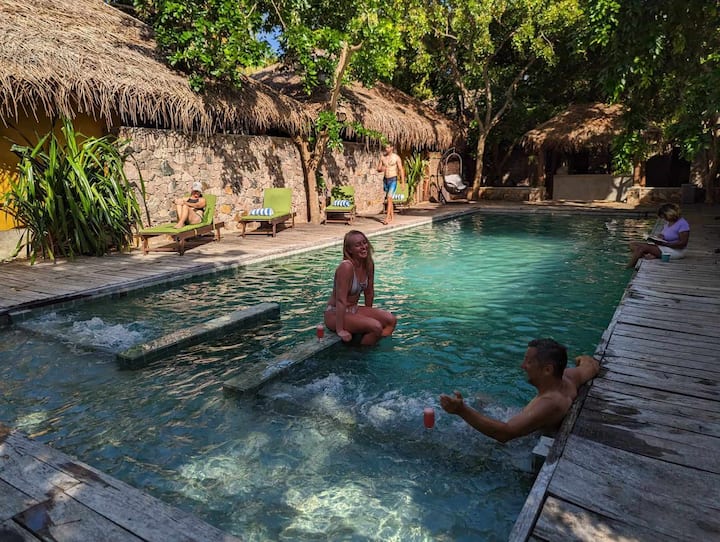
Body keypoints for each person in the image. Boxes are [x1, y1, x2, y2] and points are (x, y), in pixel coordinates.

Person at [439, 338, 600, 443]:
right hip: (525, 423)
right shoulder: (568, 378)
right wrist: (580, 358)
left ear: (547, 370)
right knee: (481, 398)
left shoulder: (549, 403)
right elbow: (590, 365)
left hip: (522, 443)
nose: (523, 366)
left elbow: (505, 434)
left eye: (528, 362)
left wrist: (462, 411)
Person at [324, 230, 397, 346]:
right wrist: (340, 330)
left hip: (353, 309)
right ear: (349, 250)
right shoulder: (346, 267)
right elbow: (340, 300)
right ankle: (361, 354)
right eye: (358, 245)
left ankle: (372, 345)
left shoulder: (368, 264)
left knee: (391, 320)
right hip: (335, 313)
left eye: (364, 242)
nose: (364, 247)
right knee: (376, 327)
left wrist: (367, 317)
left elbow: (369, 292)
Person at [626, 203, 690, 268]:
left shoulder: (682, 224)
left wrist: (665, 244)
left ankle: (628, 267)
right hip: (664, 246)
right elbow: (664, 234)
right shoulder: (669, 222)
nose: (663, 219)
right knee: (633, 244)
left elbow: (683, 243)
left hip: (675, 250)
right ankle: (650, 255)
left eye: (664, 217)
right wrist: (658, 237)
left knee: (641, 248)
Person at [376, 143, 405, 225]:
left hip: (393, 180)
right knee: (390, 199)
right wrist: (381, 169)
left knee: (389, 198)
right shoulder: (382, 157)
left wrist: (402, 182)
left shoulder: (396, 157)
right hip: (385, 180)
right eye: (386, 147)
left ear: (392, 148)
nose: (386, 149)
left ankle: (387, 218)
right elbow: (378, 169)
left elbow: (401, 170)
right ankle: (392, 216)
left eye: (388, 147)